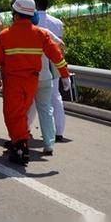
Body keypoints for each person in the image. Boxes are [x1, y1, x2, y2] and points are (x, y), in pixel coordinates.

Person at [0, 0, 71, 165]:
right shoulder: (41, 34)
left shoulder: (5, 36)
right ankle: (19, 142)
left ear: (15, 14)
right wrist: (64, 75)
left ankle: (20, 146)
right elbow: (56, 55)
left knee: (13, 114)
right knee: (22, 113)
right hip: (32, 81)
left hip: (13, 82)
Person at [32, 0, 67, 142]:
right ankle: (59, 132)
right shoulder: (57, 22)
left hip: (37, 63)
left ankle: (26, 129)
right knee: (55, 96)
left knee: (34, 100)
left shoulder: (33, 22)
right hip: (55, 62)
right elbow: (61, 46)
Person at [27, 26, 65, 156]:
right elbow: (60, 46)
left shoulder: (17, 32)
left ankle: (22, 135)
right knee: (46, 110)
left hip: (27, 77)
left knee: (26, 107)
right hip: (45, 77)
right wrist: (64, 74)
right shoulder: (44, 32)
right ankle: (49, 144)